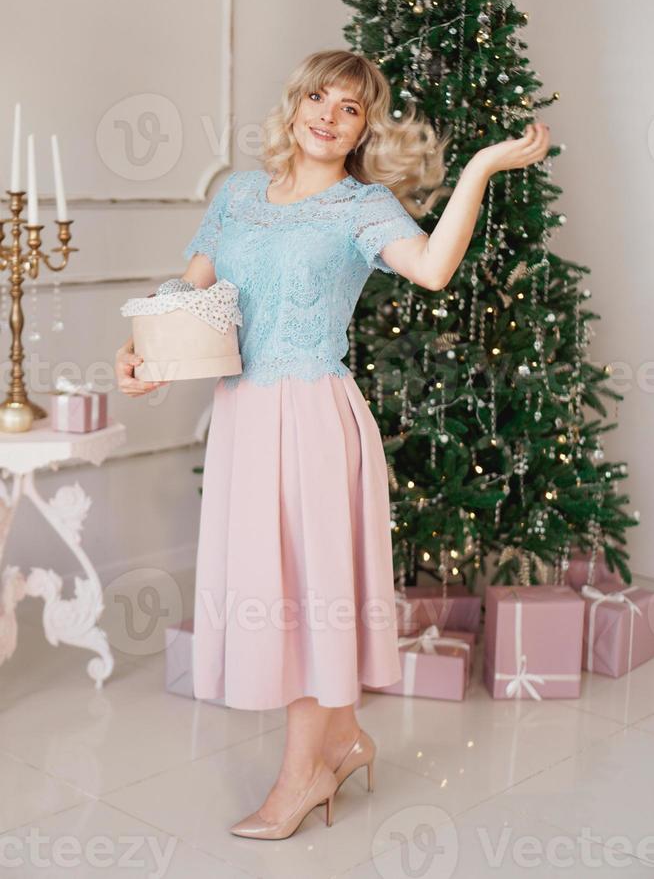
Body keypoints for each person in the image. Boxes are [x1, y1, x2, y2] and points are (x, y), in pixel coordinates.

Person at [115, 49, 550, 839]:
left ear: (362, 128)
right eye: (318, 96)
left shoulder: (362, 205)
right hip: (243, 416)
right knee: (280, 590)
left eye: (349, 108)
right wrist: (141, 355)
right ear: (295, 105)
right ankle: (343, 739)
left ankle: (303, 774)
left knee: (311, 597)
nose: (328, 114)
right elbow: (192, 290)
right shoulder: (239, 194)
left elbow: (432, 268)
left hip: (315, 415)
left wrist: (482, 166)